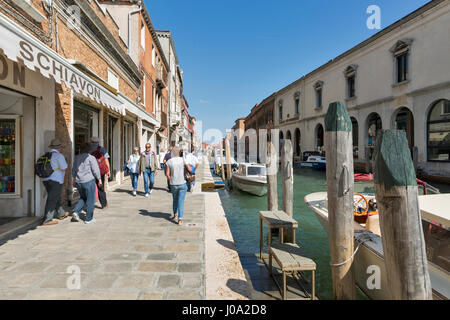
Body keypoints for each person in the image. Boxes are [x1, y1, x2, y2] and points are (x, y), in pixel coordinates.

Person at [40, 138, 69, 226]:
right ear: (59, 148)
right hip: (55, 180)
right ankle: (47, 219)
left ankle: (61, 213)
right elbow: (64, 168)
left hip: (45, 179)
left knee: (55, 197)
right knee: (52, 199)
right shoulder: (59, 156)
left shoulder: (47, 155)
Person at [72, 143, 101, 224]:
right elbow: (95, 170)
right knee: (91, 200)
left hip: (79, 181)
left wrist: (74, 179)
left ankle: (76, 211)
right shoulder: (91, 158)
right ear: (89, 150)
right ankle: (88, 218)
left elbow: (74, 169)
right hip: (88, 181)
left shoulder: (76, 157)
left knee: (83, 198)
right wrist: (99, 179)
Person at [166, 146, 192, 226]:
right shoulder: (183, 160)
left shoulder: (169, 161)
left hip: (173, 184)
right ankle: (180, 219)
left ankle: (175, 215)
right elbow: (190, 169)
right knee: (181, 202)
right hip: (182, 183)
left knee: (175, 200)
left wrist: (171, 180)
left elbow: (167, 174)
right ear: (179, 152)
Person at [90, 137, 110, 209]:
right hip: (100, 171)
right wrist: (108, 170)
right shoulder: (102, 149)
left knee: (90, 188)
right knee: (100, 188)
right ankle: (104, 204)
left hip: (91, 172)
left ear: (91, 142)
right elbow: (106, 160)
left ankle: (90, 204)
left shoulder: (88, 149)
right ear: (98, 142)